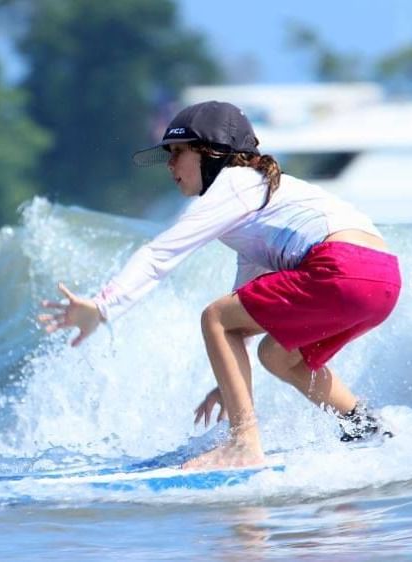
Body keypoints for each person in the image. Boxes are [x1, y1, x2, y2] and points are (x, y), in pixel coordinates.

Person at [38, 100, 402, 469]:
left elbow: (158, 255)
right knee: (276, 354)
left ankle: (244, 443)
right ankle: (363, 426)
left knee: (213, 316)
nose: (169, 164)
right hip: (384, 280)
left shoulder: (233, 183)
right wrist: (230, 386)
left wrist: (101, 307)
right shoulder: (258, 203)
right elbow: (243, 309)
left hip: (339, 269)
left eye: (178, 152)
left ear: (213, 153)